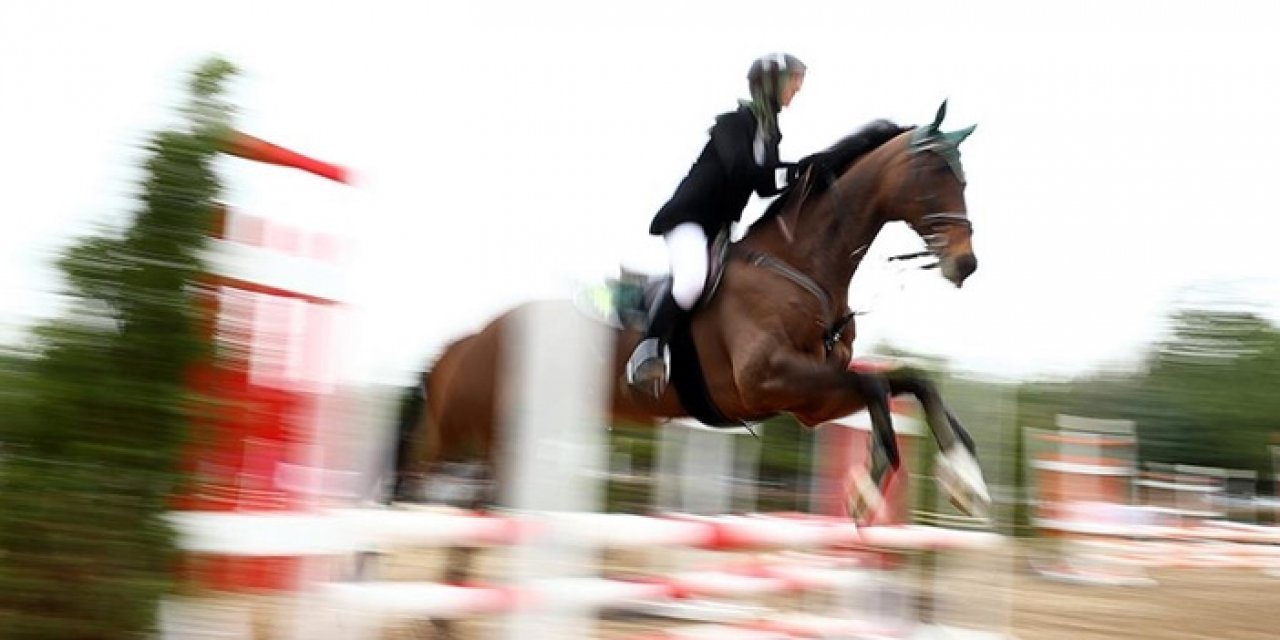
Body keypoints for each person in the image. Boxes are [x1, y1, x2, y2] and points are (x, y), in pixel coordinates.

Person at [626, 53, 807, 398]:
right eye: (792, 83)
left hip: (719, 230)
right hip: (690, 219)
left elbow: (766, 186)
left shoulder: (769, 133)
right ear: (772, 83)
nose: (795, 92)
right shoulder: (733, 123)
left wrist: (805, 172)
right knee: (693, 279)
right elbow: (741, 170)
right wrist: (792, 170)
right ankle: (647, 351)